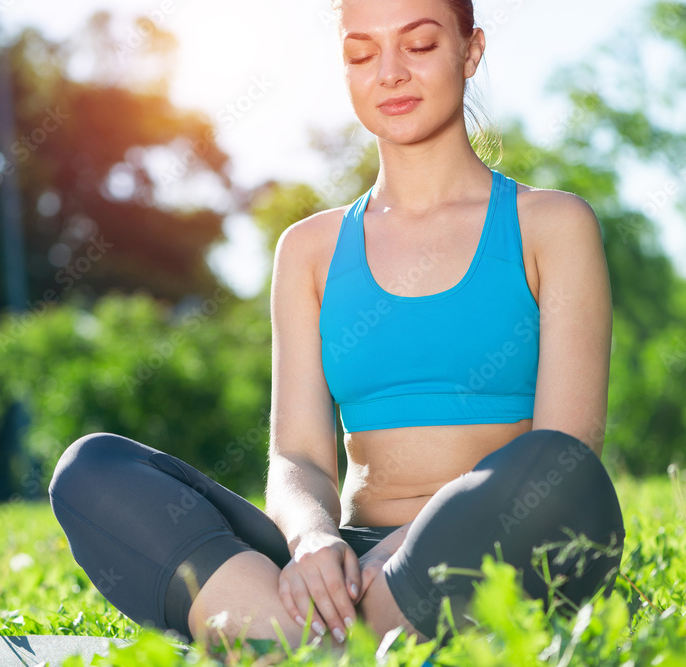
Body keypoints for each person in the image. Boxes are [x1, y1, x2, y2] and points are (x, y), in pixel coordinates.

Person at [48, 0, 625, 653]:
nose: (390, 73)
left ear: (471, 51)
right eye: (361, 53)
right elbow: (298, 457)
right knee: (90, 468)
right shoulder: (309, 250)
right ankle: (343, 634)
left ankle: (292, 638)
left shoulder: (551, 225)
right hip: (348, 566)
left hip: (493, 538)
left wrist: (400, 556)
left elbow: (564, 448)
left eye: (420, 46)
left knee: (564, 472)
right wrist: (314, 541)